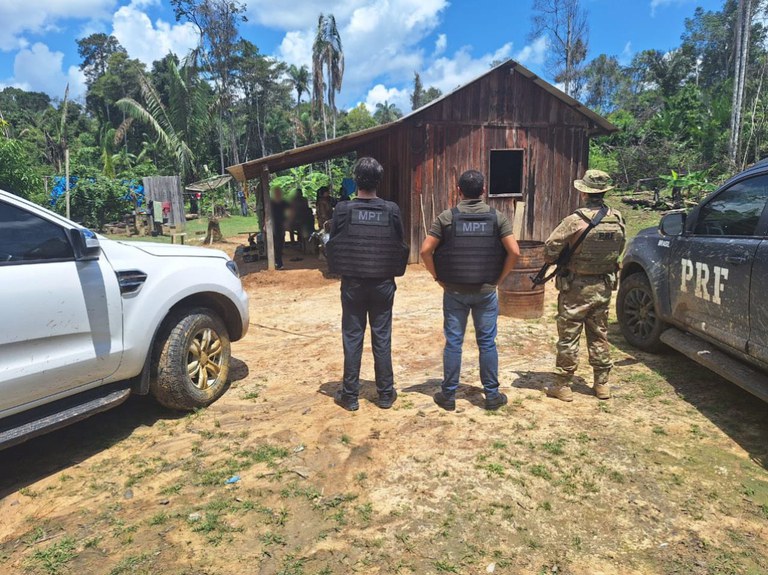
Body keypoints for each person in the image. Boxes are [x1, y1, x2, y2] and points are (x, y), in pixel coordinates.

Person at [420, 169, 520, 411]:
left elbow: (425, 251)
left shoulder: (446, 217)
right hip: (486, 291)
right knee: (487, 342)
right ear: (483, 191)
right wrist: (499, 279)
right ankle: (492, 395)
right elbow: (514, 252)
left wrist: (438, 278)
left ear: (459, 191)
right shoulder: (497, 217)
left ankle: (448, 395)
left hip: (454, 291)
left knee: (453, 342)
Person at [325, 157, 409, 411]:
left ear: (356, 180)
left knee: (352, 338)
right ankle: (385, 394)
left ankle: (350, 396)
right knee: (382, 337)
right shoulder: (391, 210)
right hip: (383, 283)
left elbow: (333, 244)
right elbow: (399, 243)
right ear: (378, 181)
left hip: (353, 284)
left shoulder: (342, 209)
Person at [542, 169, 626, 402]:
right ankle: (602, 385)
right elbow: (619, 250)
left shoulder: (574, 220)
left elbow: (549, 251)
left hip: (576, 288)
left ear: (583, 192)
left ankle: (564, 386)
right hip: (603, 286)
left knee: (569, 337)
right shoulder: (617, 218)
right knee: (599, 334)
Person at [270, 186, 289, 270]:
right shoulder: (270, 203)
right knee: (275, 243)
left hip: (282, 224)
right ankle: (278, 262)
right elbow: (266, 213)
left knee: (280, 243)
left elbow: (290, 211)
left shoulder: (284, 202)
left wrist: (287, 221)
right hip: (273, 225)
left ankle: (278, 260)